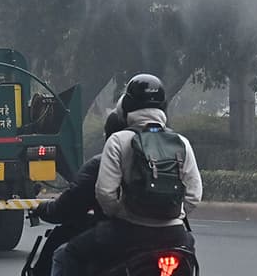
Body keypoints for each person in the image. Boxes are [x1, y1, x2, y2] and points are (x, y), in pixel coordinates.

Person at [52, 74, 202, 276]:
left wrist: (124, 214)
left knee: (68, 253)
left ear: (126, 107)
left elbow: (105, 194)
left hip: (129, 232)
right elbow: (194, 194)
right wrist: (173, 215)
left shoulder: (118, 140)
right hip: (174, 234)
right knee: (188, 255)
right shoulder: (181, 142)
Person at [28, 109, 128, 276]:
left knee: (62, 255)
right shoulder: (173, 149)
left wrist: (44, 209)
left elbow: (69, 206)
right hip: (173, 234)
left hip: (120, 233)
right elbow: (188, 197)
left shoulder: (102, 164)